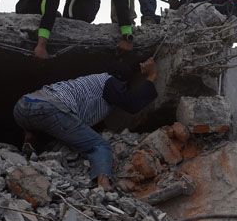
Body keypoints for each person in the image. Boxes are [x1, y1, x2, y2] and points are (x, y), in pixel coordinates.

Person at [13, 58, 158, 191]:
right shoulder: (109, 82)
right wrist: (151, 76)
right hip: (50, 110)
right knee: (100, 145)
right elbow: (131, 104)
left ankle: (30, 137)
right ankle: (103, 184)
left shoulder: (92, 81)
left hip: (23, 107)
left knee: (54, 132)